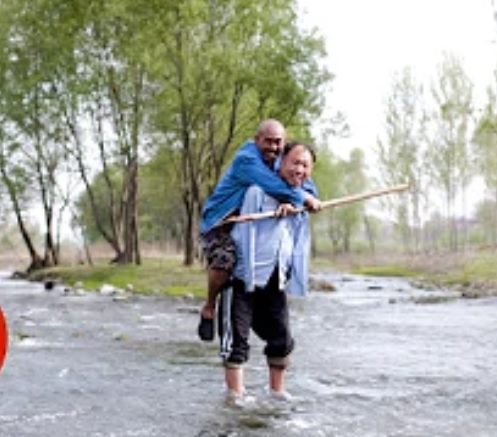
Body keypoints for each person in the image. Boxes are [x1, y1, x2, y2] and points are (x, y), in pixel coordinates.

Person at [198, 120, 320, 341]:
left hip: (244, 226)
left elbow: (301, 183)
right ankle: (209, 306)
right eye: (268, 141)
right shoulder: (247, 159)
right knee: (224, 260)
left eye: (278, 143)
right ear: (256, 140)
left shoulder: (276, 161)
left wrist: (298, 200)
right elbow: (273, 185)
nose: (273, 147)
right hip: (220, 223)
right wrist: (303, 197)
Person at [218, 141, 316, 402]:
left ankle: (276, 393)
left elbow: (305, 199)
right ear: (280, 162)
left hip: (275, 280)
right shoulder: (255, 190)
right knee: (236, 342)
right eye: (294, 162)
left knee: (281, 339)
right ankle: (235, 398)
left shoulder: (300, 196)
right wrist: (283, 202)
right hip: (241, 278)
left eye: (305, 165)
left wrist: (294, 203)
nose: (299, 169)